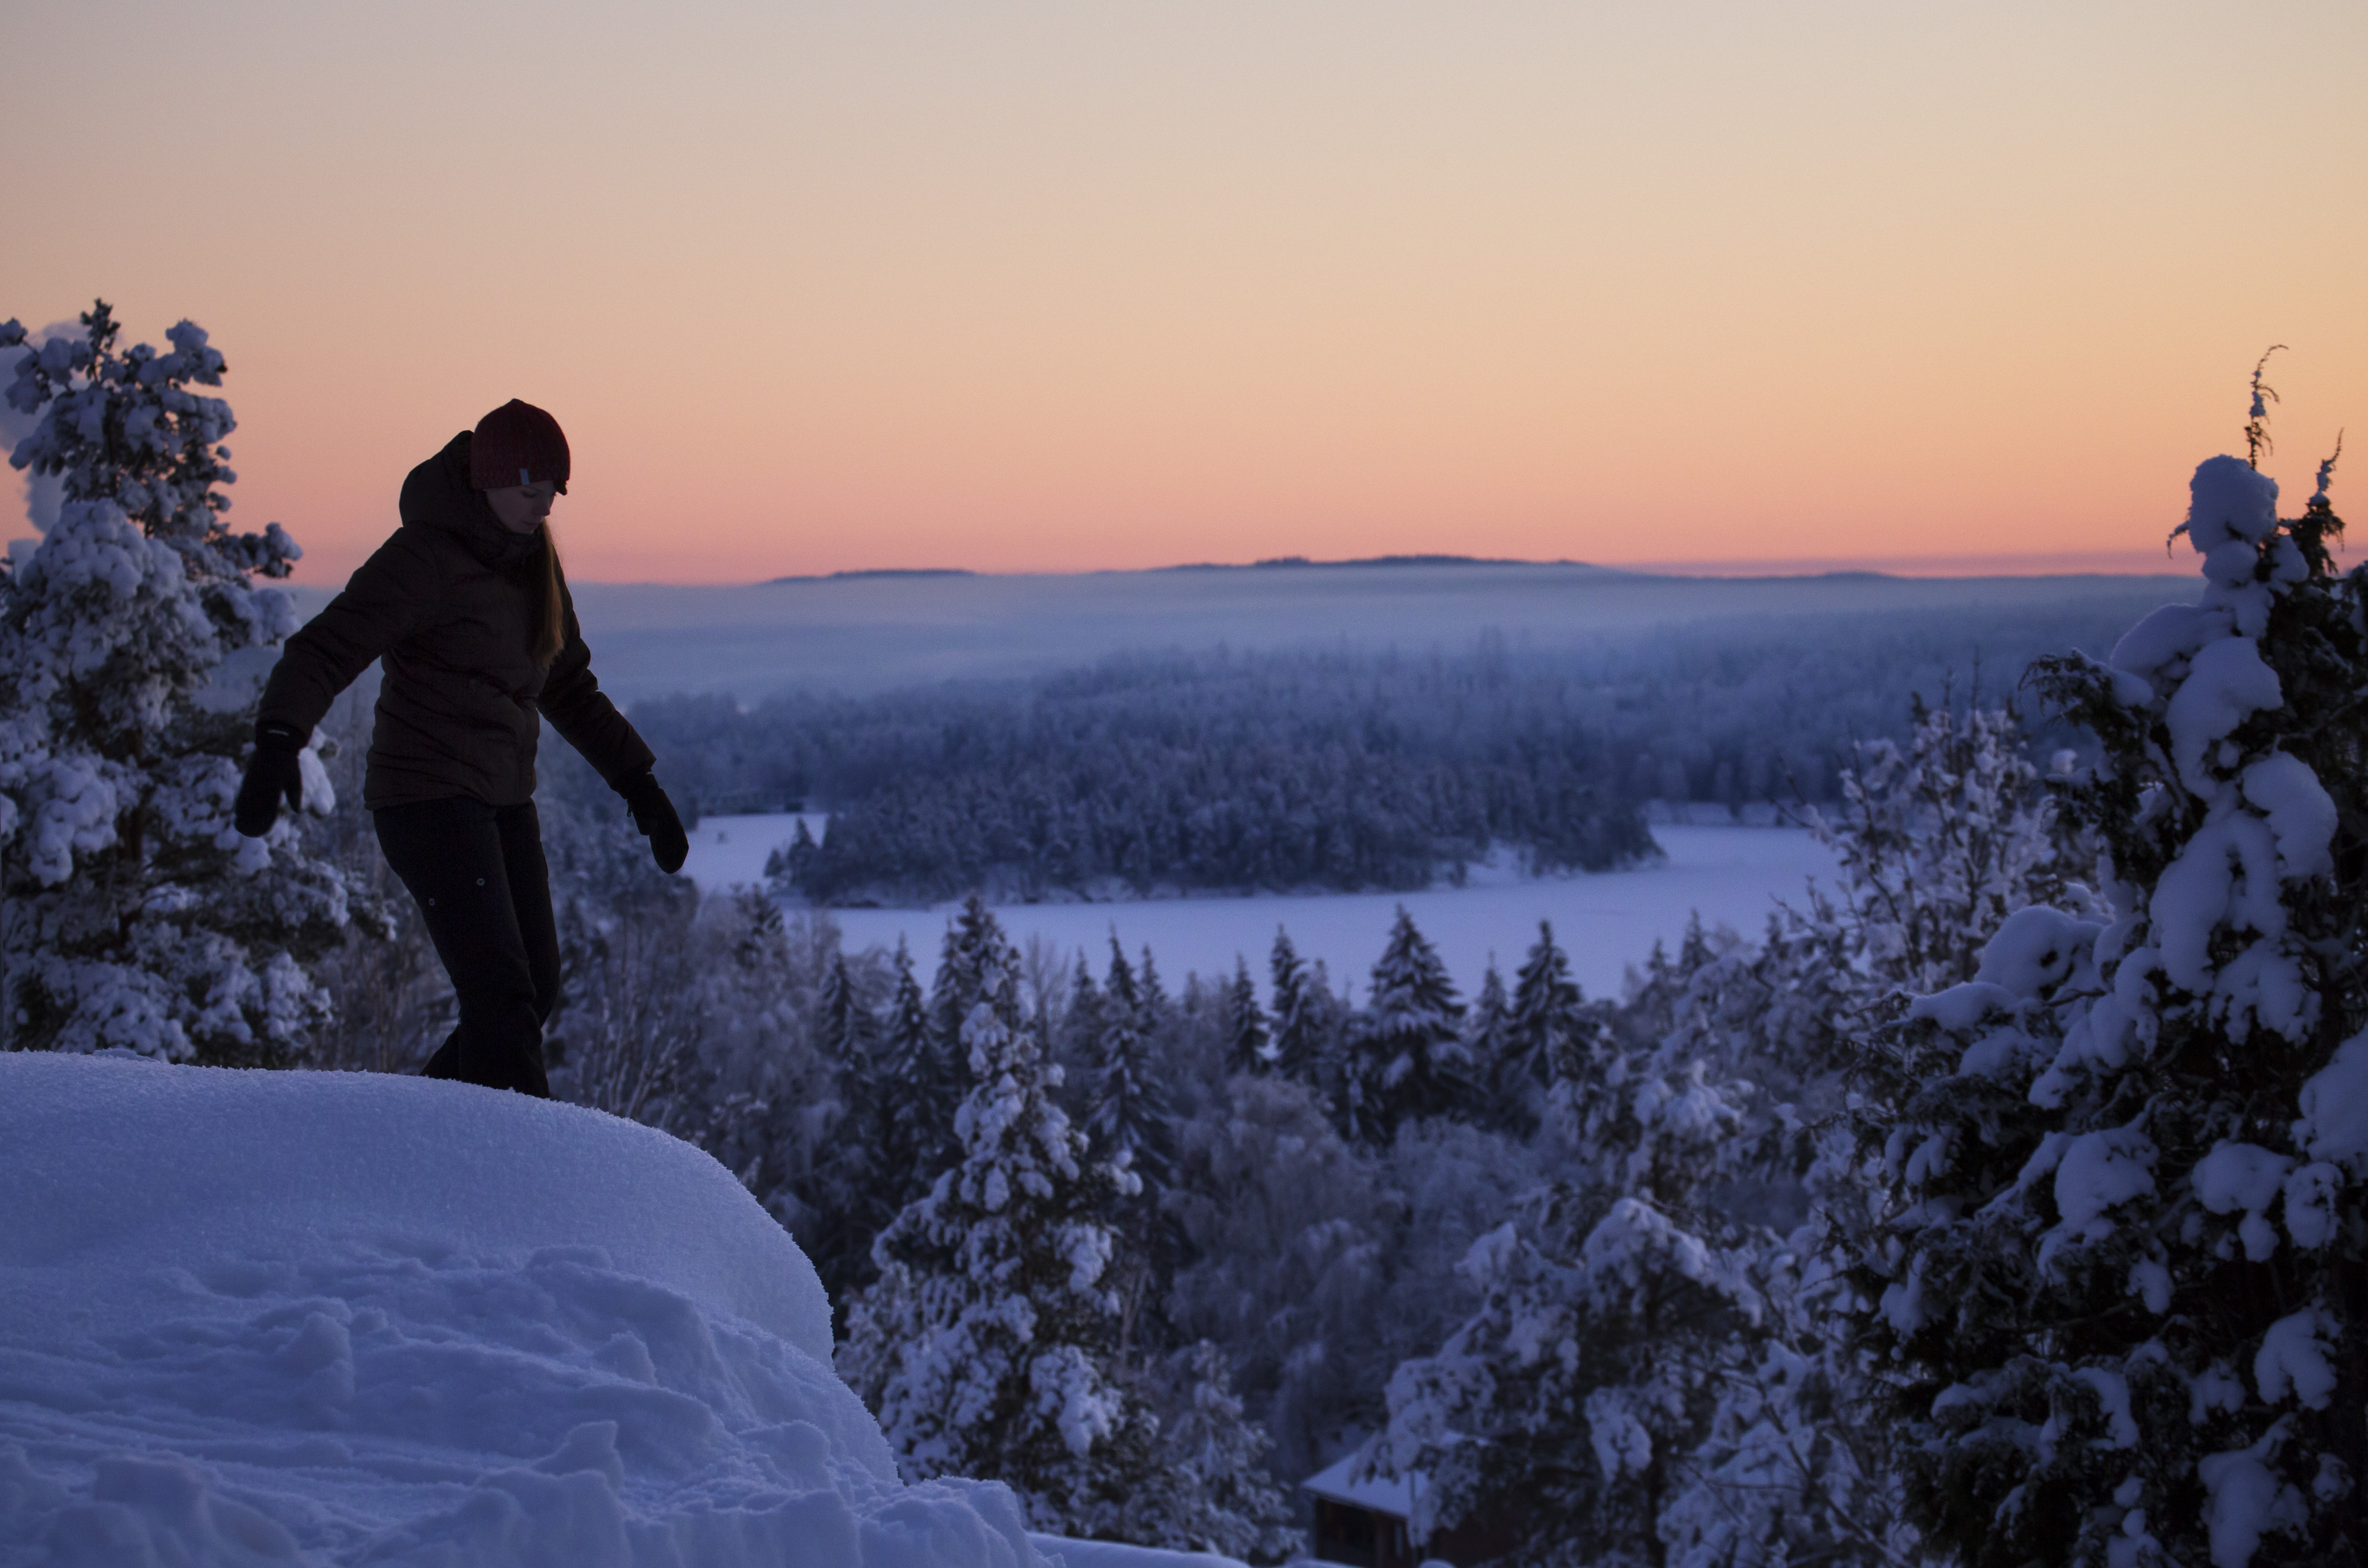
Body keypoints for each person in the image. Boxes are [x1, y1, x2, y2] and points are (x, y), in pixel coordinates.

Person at [233, 398, 688, 1097]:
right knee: (500, 995)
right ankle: (521, 1156)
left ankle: (416, 1128)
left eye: (553, 494)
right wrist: (279, 738)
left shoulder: (534, 565)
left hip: (502, 799)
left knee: (533, 987)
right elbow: (327, 646)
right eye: (531, 492)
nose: (544, 508)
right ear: (489, 481)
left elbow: (568, 686)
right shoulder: (426, 557)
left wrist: (639, 784)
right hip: (426, 799)